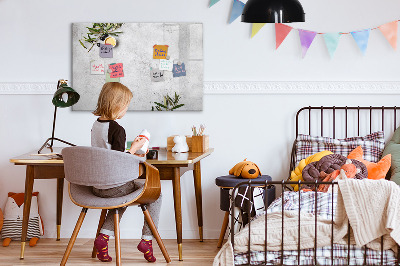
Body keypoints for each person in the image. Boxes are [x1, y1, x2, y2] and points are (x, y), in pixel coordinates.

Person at [91, 82, 161, 263]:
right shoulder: (117, 129)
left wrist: (131, 149)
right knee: (156, 194)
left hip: (97, 186)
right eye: (126, 106)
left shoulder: (96, 125)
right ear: (117, 105)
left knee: (121, 197)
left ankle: (103, 238)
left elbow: (108, 154)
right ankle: (147, 240)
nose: (126, 110)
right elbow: (119, 160)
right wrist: (136, 148)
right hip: (114, 186)